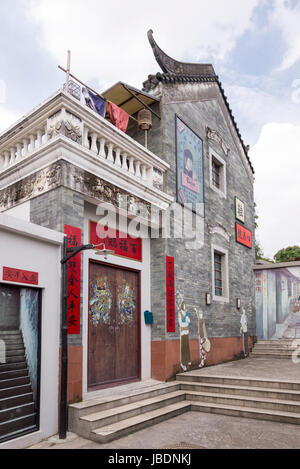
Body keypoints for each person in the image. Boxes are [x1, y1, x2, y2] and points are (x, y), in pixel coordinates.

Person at [178, 297, 191, 371]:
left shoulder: (185, 313)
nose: (185, 307)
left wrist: (186, 319)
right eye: (184, 305)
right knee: (183, 348)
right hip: (182, 332)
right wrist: (185, 318)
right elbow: (181, 323)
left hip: (186, 331)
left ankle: (188, 360)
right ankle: (183, 363)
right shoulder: (180, 313)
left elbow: (188, 321)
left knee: (187, 347)